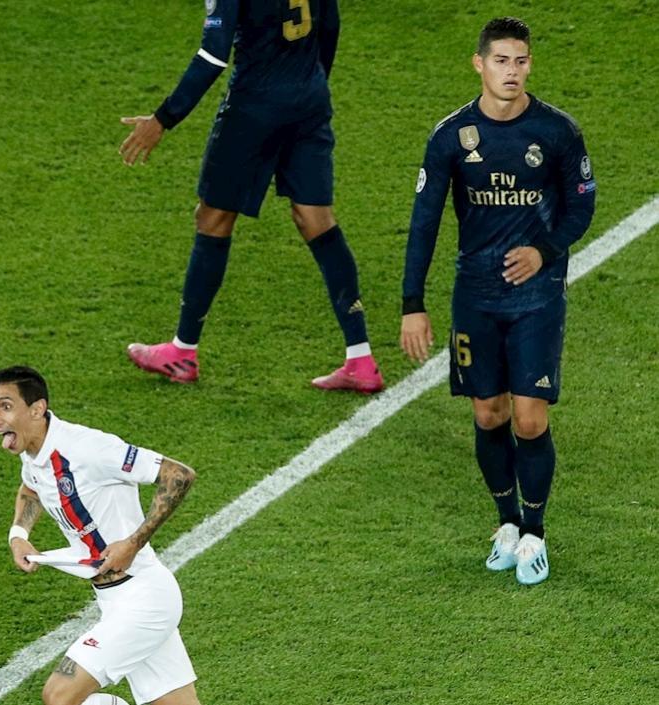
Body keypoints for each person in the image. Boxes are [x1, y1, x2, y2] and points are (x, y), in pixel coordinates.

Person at [401, 18, 595, 585]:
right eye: (502, 61)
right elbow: (424, 223)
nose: (513, 71)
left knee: (530, 421)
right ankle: (506, 524)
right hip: (476, 296)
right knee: (489, 413)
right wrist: (413, 302)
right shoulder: (451, 138)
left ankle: (535, 532)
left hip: (536, 297)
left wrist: (544, 249)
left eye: (522, 61)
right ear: (479, 64)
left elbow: (582, 205)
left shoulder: (557, 132)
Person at [120, 0, 382, 393]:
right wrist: (307, 85)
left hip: (253, 109)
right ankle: (360, 358)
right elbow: (330, 28)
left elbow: (212, 55)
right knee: (316, 219)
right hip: (309, 101)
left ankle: (182, 351)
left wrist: (162, 120)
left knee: (213, 218)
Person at [0, 367, 202, 705]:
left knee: (59, 695)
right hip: (116, 601)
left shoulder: (88, 448)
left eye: (5, 406)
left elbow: (178, 475)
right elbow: (31, 488)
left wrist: (133, 543)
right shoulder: (35, 454)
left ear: (37, 409)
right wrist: (18, 534)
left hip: (144, 600)